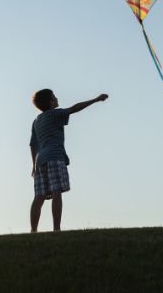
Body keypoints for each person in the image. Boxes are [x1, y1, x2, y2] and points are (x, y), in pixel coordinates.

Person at [29, 89, 108, 232]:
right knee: (56, 192)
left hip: (41, 161)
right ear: (51, 102)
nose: (57, 97)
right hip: (55, 157)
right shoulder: (55, 113)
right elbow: (74, 108)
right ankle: (56, 229)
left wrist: (34, 165)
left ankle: (33, 230)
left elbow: (33, 144)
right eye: (54, 96)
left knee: (39, 196)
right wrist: (95, 100)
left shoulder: (36, 121)